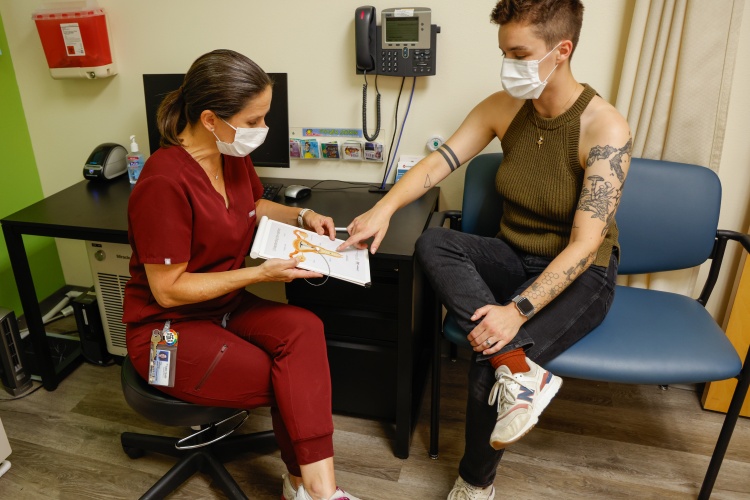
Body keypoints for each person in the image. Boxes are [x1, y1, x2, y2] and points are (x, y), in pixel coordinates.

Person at [338, 1, 632, 498]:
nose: (508, 65)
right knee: (433, 240)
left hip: (582, 274)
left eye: (520, 53)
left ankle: (475, 485)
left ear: (562, 51)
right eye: (504, 52)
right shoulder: (503, 106)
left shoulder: (605, 128)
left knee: (483, 363)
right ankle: (520, 373)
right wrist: (384, 209)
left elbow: (585, 246)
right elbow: (438, 164)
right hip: (513, 253)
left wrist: (516, 312)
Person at [123, 49, 360, 500]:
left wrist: (302, 214)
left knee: (305, 330)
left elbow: (253, 209)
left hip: (223, 307)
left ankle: (312, 489)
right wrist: (258, 275)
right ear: (210, 118)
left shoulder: (229, 156)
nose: (261, 130)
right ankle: (313, 490)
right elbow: (169, 293)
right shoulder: (162, 182)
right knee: (285, 377)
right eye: (253, 121)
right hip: (166, 329)